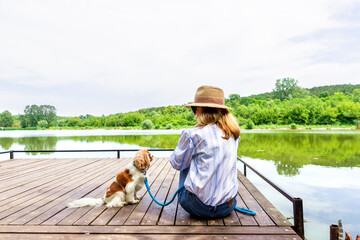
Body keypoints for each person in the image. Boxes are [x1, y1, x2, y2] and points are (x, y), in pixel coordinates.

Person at [170, 85, 240, 219]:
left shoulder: (192, 134)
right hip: (228, 206)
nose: (194, 113)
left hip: (197, 207)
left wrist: (183, 151)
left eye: (195, 109)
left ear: (203, 111)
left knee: (185, 163)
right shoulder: (234, 134)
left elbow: (176, 164)